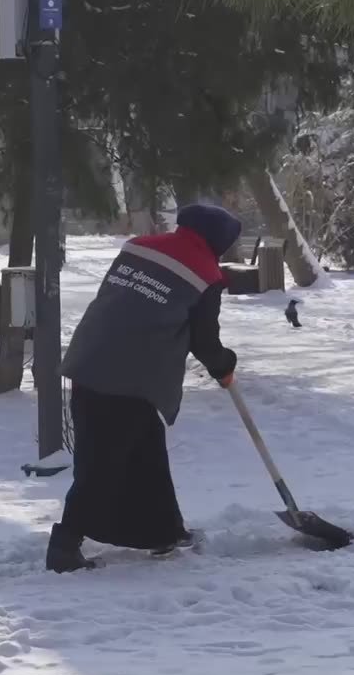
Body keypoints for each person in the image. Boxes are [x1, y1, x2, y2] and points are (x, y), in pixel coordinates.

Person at [46, 203, 241, 573]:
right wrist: (224, 364)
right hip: (130, 373)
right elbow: (204, 342)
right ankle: (64, 546)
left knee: (145, 447)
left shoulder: (139, 247)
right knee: (102, 462)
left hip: (90, 356)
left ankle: (162, 532)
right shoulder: (205, 274)